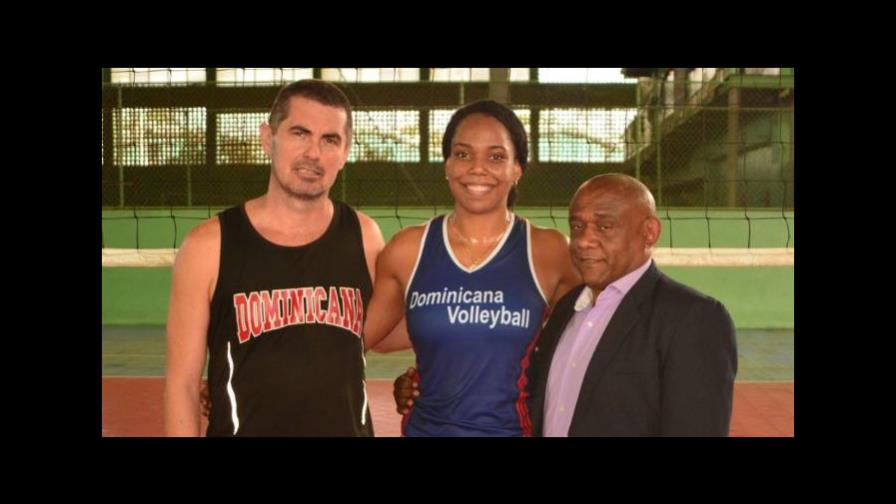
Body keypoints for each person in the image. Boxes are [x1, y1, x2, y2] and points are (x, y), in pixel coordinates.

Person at [395, 173, 738, 436]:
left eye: (605, 226)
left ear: (649, 232)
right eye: (578, 225)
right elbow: (526, 389)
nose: (585, 240)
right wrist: (429, 384)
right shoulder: (566, 308)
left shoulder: (694, 319)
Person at [164, 80, 385, 437]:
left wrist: (424, 374)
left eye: (330, 140)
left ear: (345, 153)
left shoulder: (364, 235)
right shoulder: (208, 246)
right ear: (269, 138)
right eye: (300, 133)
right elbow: (183, 385)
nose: (314, 153)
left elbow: (394, 328)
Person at [365, 100, 581, 436]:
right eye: (463, 154)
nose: (477, 168)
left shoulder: (550, 251)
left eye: (496, 156)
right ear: (447, 164)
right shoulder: (407, 249)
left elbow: (586, 340)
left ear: (517, 168)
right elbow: (364, 339)